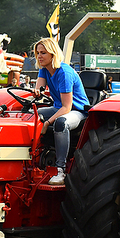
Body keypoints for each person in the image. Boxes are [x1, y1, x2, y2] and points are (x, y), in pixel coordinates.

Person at [34, 37, 90, 185]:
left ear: (53, 54)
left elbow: (67, 107)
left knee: (60, 123)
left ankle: (60, 170)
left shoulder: (64, 73)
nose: (39, 56)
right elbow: (37, 91)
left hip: (77, 111)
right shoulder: (44, 69)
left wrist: (47, 122)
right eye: (38, 53)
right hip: (58, 108)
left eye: (43, 53)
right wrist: (35, 93)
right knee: (31, 116)